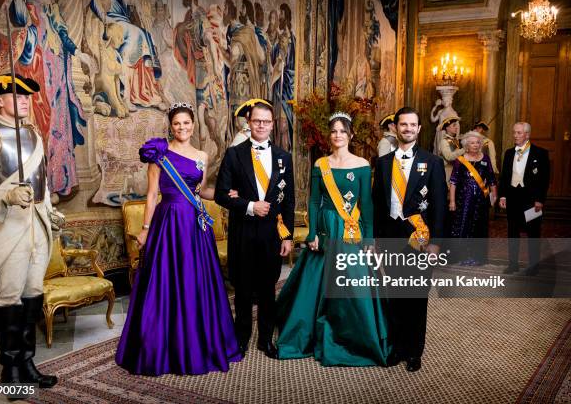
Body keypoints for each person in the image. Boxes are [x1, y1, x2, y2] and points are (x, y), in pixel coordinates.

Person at [116, 102, 242, 375]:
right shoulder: (159, 153)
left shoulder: (202, 155)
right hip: (169, 222)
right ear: (170, 126)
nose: (182, 127)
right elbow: (151, 195)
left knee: (196, 281)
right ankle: (167, 345)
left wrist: (225, 195)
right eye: (177, 124)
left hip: (196, 225)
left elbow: (202, 190)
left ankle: (199, 341)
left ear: (193, 125)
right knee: (168, 281)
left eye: (186, 123)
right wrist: (146, 228)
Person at [275, 112, 390, 367]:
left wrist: (369, 239)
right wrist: (313, 232)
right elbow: (314, 201)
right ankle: (310, 330)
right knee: (316, 281)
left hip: (350, 229)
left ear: (351, 134)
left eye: (342, 131)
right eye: (334, 131)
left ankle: (354, 335)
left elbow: (367, 205)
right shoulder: (320, 165)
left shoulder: (361, 164)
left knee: (353, 282)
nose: (337, 135)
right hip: (326, 227)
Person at [0, 74, 58, 388]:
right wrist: (6, 195)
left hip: (37, 226)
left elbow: (41, 180)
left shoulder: (34, 133)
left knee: (33, 293)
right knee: (8, 297)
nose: (24, 99)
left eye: (26, 96)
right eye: (16, 95)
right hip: (7, 228)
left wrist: (49, 207)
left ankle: (27, 362)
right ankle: (11, 370)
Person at [215, 98, 295, 358]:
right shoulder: (234, 154)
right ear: (249, 123)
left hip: (272, 233)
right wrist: (249, 205)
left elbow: (289, 201)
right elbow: (220, 194)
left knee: (268, 289)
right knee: (243, 289)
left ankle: (265, 340)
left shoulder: (284, 157)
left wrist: (288, 236)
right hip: (244, 231)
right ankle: (241, 339)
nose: (261, 125)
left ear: (273, 125)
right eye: (257, 120)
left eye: (266, 121)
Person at [372, 106, 447, 372]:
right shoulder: (382, 163)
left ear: (419, 128)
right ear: (395, 127)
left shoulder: (433, 162)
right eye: (403, 125)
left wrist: (436, 243)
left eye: (412, 125)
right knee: (393, 295)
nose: (407, 129)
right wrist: (375, 241)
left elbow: (439, 206)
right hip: (391, 239)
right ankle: (397, 348)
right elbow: (377, 206)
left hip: (419, 240)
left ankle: (414, 351)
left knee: (416, 296)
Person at [498, 122, 550, 276]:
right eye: (514, 132)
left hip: (531, 200)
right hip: (513, 198)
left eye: (519, 133)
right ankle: (513, 264)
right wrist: (503, 195)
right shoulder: (508, 153)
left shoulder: (540, 153)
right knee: (512, 232)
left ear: (527, 135)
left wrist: (540, 199)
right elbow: (505, 177)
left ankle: (534, 265)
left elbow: (544, 179)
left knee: (533, 232)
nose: (515, 135)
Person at [449, 131, 497, 265]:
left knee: (479, 228)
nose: (475, 145)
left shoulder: (485, 158)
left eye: (477, 142)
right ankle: (463, 256)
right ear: (466, 145)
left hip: (481, 201)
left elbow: (492, 179)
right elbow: (453, 182)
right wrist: (452, 201)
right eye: (472, 143)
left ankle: (478, 257)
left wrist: (494, 196)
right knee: (464, 226)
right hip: (463, 200)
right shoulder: (460, 160)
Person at [439, 117, 465, 185]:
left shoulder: (455, 140)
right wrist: (464, 149)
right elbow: (449, 157)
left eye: (456, 125)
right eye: (454, 125)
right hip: (448, 172)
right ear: (447, 128)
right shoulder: (444, 141)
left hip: (457, 171)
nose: (456, 127)